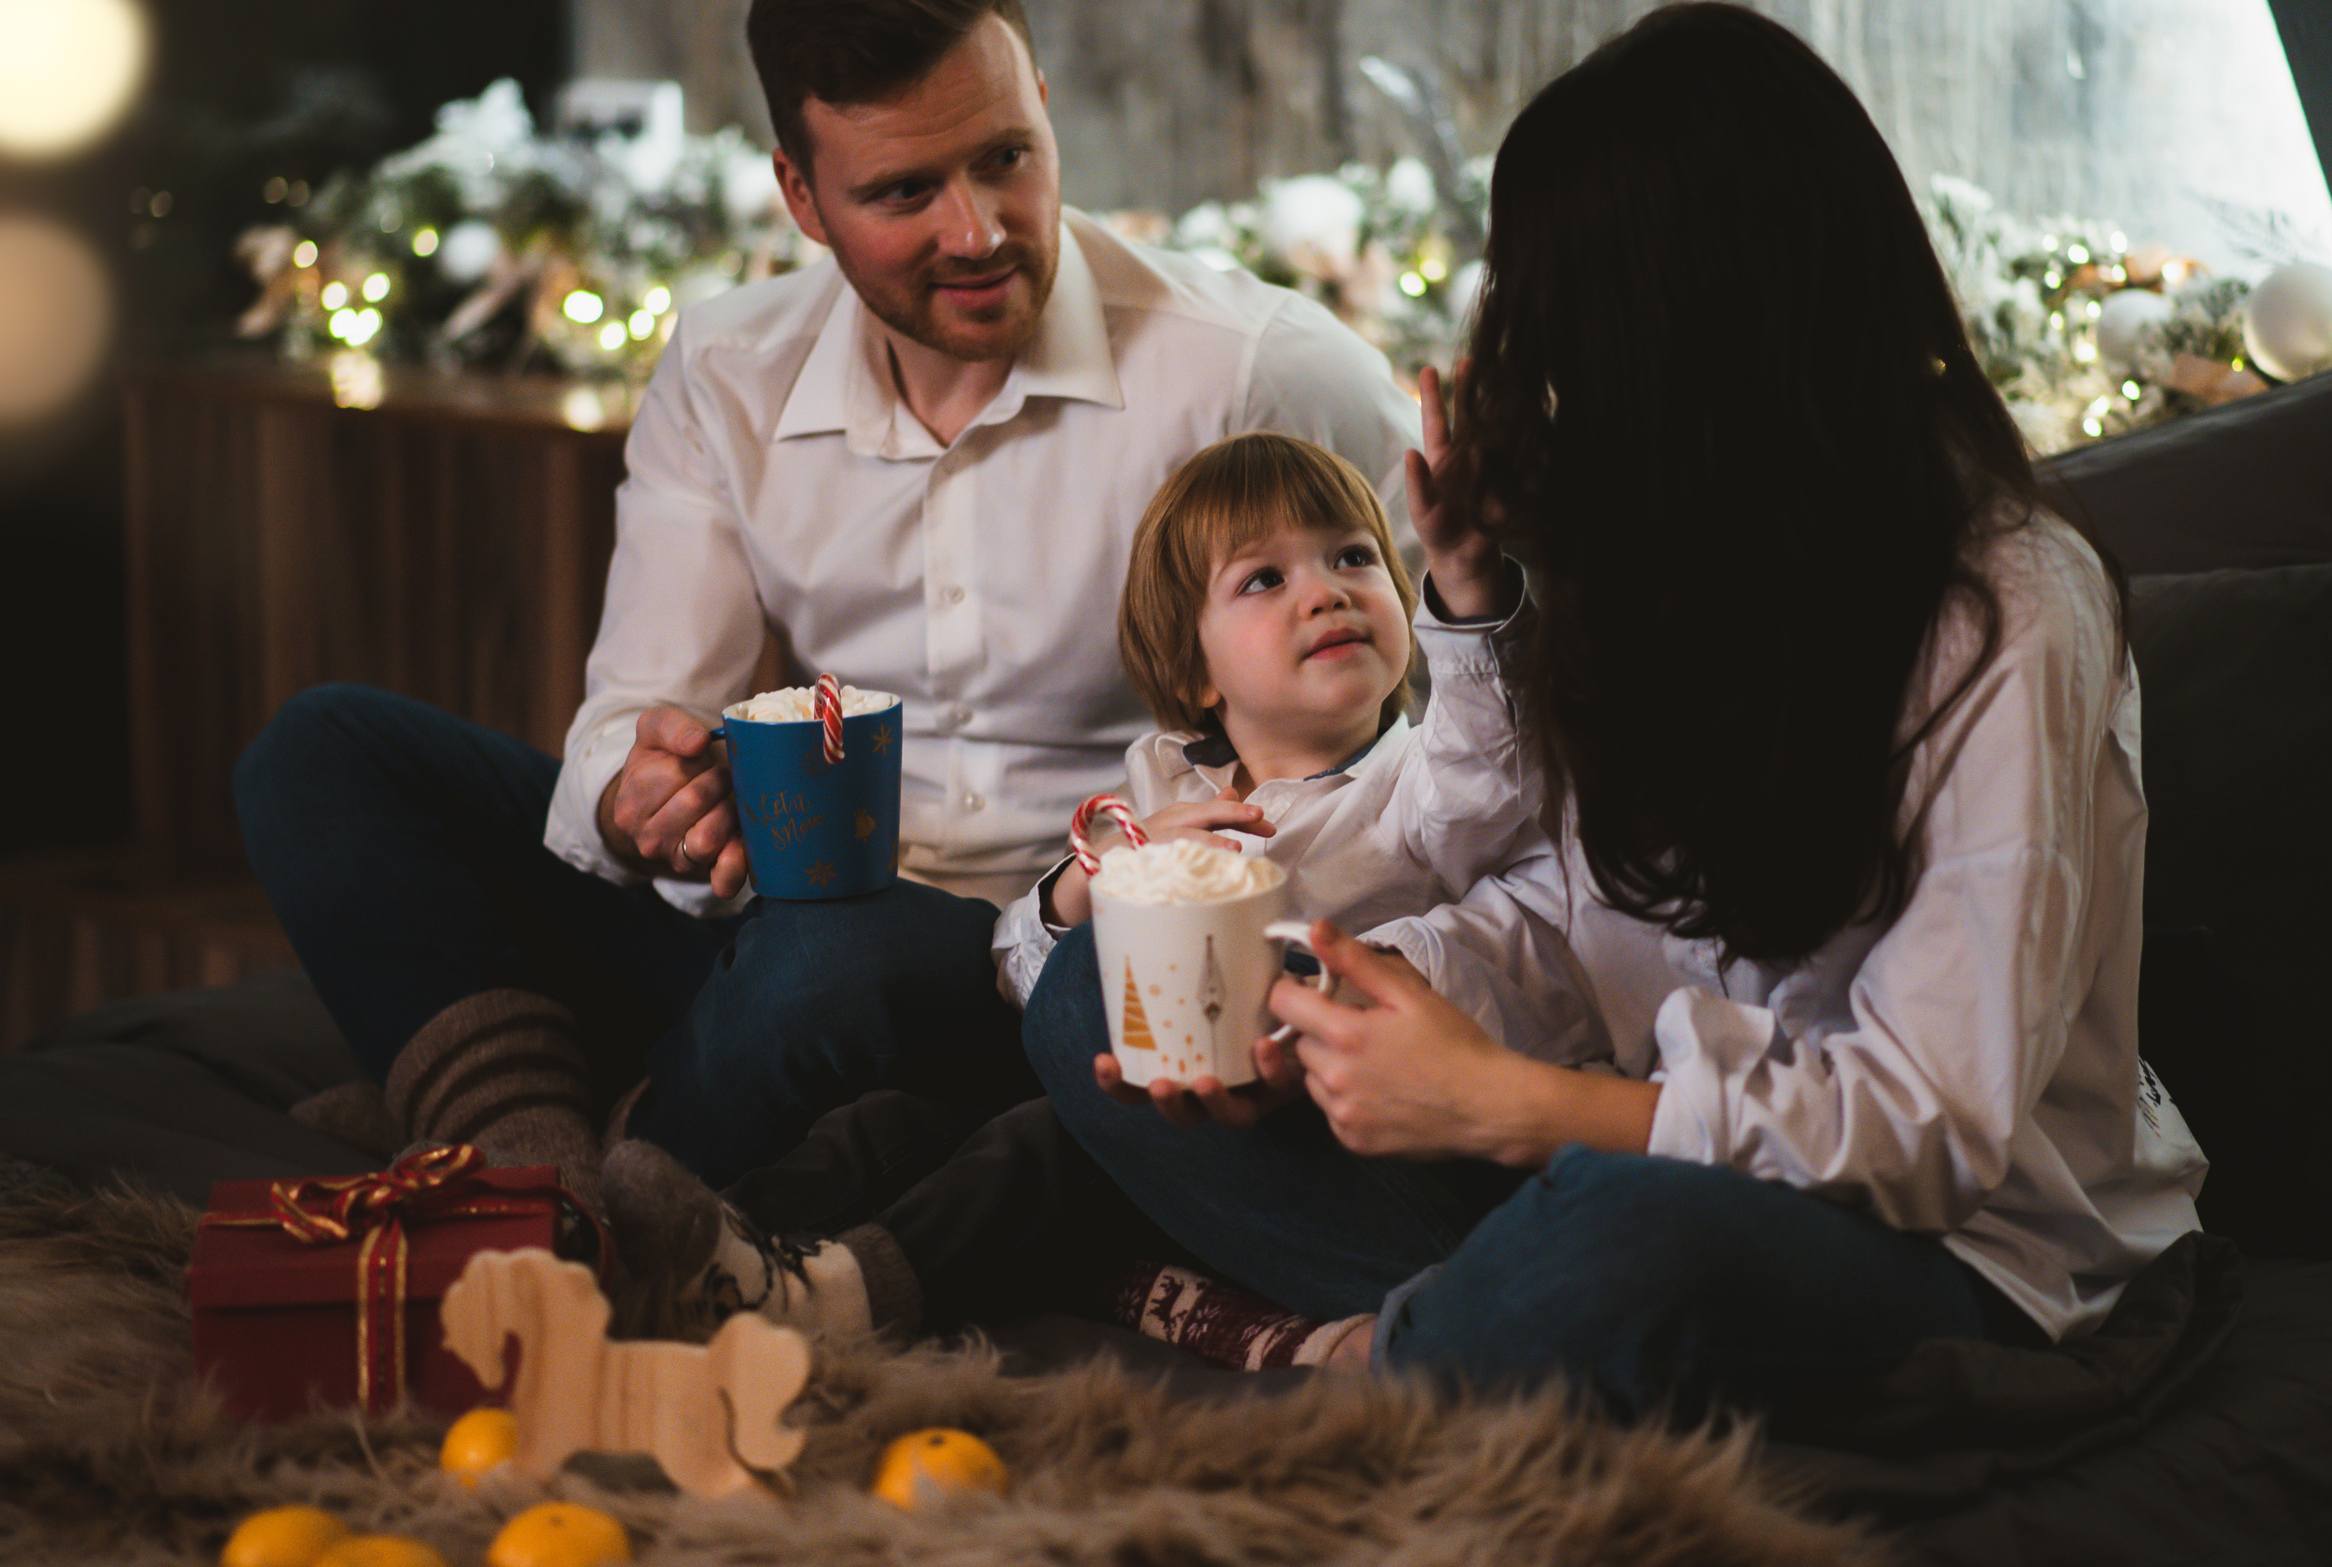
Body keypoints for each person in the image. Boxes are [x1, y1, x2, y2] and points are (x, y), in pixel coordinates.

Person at [1021, 1, 2210, 1416]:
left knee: (1612, 1248)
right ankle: (1459, 1332)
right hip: (1614, 1143)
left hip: (1943, 1244)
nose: (1540, 363)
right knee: (1096, 990)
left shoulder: (2006, 605)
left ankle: (1387, 1354)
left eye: (1567, 314)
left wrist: (1497, 1106)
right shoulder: (1658, 545)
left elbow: (1926, 1125)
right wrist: (1348, 1018)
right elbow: (1581, 932)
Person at [234, 0, 1414, 1209]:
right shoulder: (731, 369)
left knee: (829, 966)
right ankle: (537, 1149)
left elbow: (1449, 715)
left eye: (1007, 159)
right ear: (802, 197)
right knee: (326, 752)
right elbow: (634, 716)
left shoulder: (1262, 370)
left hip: (1066, 956)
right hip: (785, 918)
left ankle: (597, 1181)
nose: (977, 231)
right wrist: (649, 800)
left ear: (1043, 111)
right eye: (905, 193)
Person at [599, 427, 1608, 1348]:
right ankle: (691, 1240)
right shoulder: (1164, 780)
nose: (1327, 590)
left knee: (1042, 1144)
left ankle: (844, 1294)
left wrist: (1471, 597)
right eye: (1264, 578)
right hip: (1142, 1093)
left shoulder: (1416, 783)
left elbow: (1490, 767)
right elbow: (1026, 983)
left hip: (1315, 1137)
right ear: (1195, 667)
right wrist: (1100, 879)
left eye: (1354, 557)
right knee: (909, 1120)